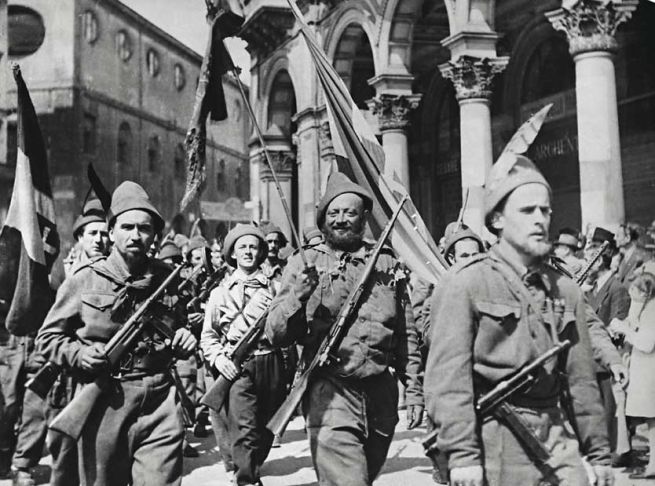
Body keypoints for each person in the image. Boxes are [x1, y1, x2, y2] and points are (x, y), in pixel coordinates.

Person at [425, 155, 612, 486]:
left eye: (545, 210)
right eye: (527, 211)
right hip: (495, 438)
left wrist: (597, 453)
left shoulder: (565, 288)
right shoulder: (466, 283)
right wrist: (463, 455)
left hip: (556, 435)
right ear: (497, 220)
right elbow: (447, 380)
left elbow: (581, 379)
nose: (540, 220)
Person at [266, 172, 423, 486]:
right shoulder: (304, 263)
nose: (341, 220)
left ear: (364, 218)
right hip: (330, 391)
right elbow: (276, 333)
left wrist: (416, 390)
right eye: (333, 214)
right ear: (324, 220)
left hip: (381, 395)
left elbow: (406, 334)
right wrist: (298, 294)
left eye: (349, 213)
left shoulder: (386, 264)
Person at [36, 181, 196, 486]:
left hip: (160, 398)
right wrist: (80, 354)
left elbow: (181, 325)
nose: (136, 235)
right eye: (127, 227)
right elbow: (48, 338)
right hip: (106, 399)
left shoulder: (167, 279)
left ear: (154, 235)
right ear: (112, 232)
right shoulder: (86, 279)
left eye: (144, 228)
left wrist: (186, 338)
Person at [11, 198, 111, 486]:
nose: (99, 239)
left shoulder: (111, 270)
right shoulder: (65, 269)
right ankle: (23, 465)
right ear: (79, 237)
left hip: (92, 363)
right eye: (92, 233)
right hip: (59, 357)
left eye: (104, 233)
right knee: (42, 416)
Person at [201, 224, 286, 486]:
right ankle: (246, 479)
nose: (248, 252)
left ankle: (251, 465)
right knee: (244, 428)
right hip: (239, 366)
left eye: (253, 247)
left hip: (271, 361)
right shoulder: (220, 292)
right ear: (233, 254)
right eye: (242, 247)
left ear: (261, 252)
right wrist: (219, 359)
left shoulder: (276, 288)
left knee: (267, 427)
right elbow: (208, 336)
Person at [584, 227, 632, 464]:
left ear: (604, 257)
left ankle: (618, 452)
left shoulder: (616, 287)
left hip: (607, 358)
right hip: (591, 359)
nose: (588, 262)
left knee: (612, 409)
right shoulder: (590, 288)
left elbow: (618, 328)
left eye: (592, 256)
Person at [610, 263, 655, 480]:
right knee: (651, 420)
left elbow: (647, 344)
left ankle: (654, 465)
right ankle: (653, 464)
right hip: (645, 371)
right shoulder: (646, 308)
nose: (630, 293)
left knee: (653, 419)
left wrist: (624, 329)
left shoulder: (652, 311)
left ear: (645, 292)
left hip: (649, 371)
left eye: (634, 290)